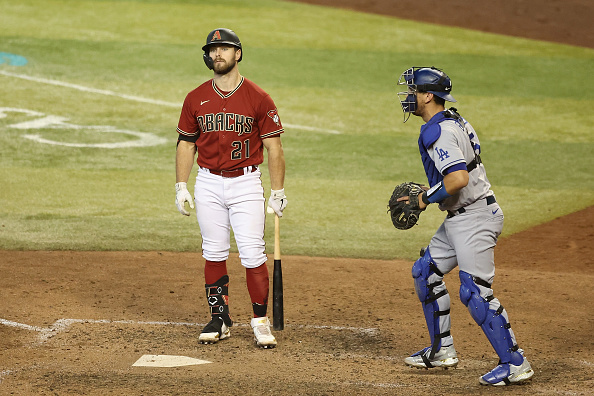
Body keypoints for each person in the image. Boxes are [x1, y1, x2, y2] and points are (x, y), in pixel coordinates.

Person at [395, 66, 534, 386]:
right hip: (462, 217)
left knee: (475, 293)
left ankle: (515, 362)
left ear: (428, 96)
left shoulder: (437, 131)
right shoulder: (452, 119)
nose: (408, 96)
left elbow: (458, 179)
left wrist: (424, 199)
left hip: (475, 218)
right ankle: (442, 350)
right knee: (425, 271)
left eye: (413, 90)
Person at [174, 28, 287, 349]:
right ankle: (219, 318)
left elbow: (274, 148)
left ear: (238, 54)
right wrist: (181, 185)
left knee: (252, 254)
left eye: (224, 48)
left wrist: (277, 191)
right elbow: (186, 143)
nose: (218, 54)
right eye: (213, 49)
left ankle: (260, 321)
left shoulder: (259, 98)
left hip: (246, 183)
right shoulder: (195, 97)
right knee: (213, 251)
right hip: (207, 182)